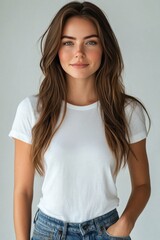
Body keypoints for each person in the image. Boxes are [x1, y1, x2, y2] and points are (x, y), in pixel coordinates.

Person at [9, 1, 151, 240]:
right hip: (49, 232)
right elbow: (22, 191)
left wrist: (126, 222)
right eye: (68, 42)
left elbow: (142, 185)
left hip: (107, 231)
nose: (79, 53)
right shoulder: (32, 110)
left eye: (91, 42)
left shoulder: (126, 111)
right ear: (56, 48)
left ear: (105, 48)